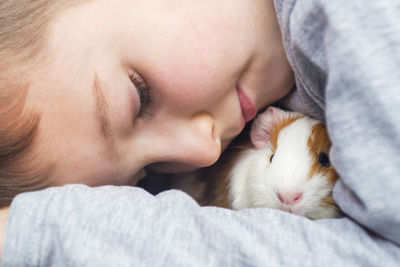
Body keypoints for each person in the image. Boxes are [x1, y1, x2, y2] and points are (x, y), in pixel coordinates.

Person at [0, 0, 399, 266]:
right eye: (148, 175)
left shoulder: (355, 17)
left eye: (140, 96)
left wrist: (37, 234)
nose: (204, 152)